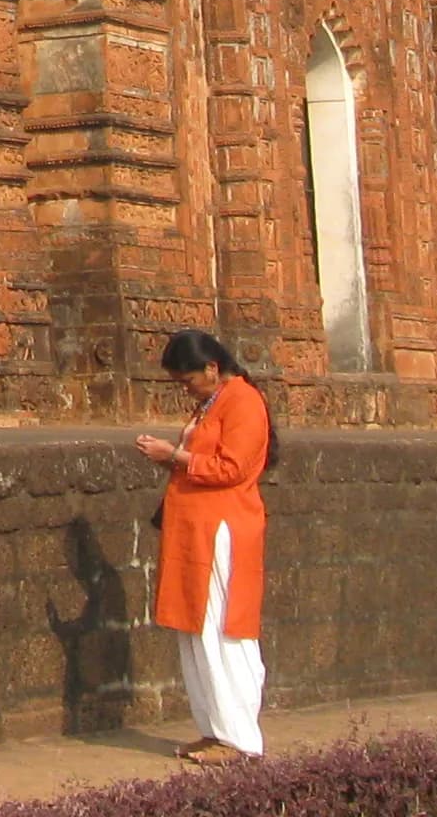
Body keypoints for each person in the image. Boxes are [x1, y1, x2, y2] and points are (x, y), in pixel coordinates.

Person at [134, 326, 276, 763]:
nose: (185, 389)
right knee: (194, 630)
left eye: (187, 380)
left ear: (212, 369)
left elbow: (231, 468)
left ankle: (240, 739)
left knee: (221, 629)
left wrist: (173, 456)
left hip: (223, 531)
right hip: (194, 529)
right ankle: (214, 730)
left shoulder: (245, 402)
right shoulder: (212, 402)